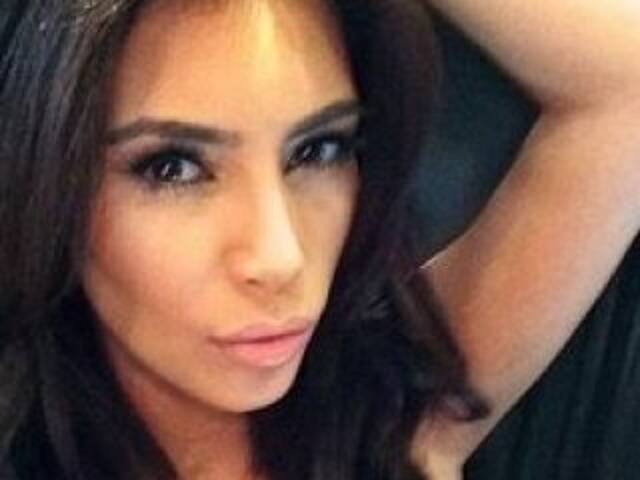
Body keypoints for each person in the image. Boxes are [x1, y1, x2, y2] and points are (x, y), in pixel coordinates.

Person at [0, 1, 639, 480]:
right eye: (173, 168)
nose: (281, 257)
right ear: (45, 178)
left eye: (318, 151)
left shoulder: (394, 422)